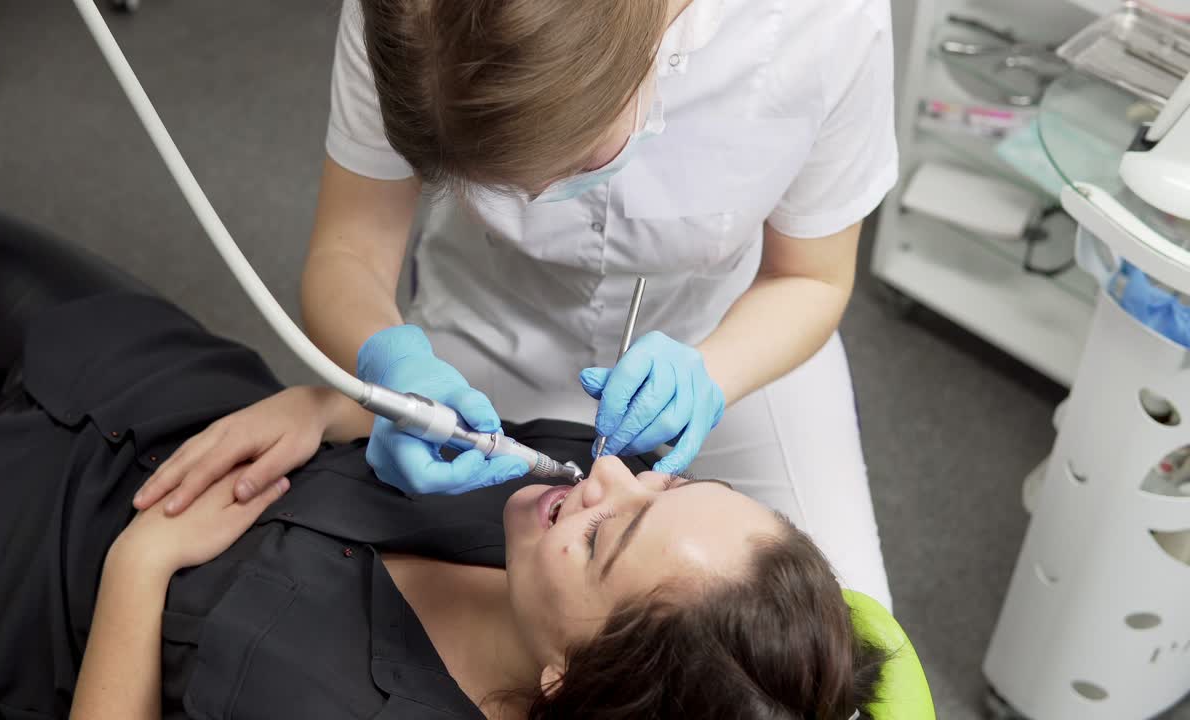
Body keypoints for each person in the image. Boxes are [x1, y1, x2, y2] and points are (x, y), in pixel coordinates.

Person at [0, 189, 887, 718]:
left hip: (5, 559)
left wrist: (142, 566)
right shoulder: (556, 499)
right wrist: (330, 406)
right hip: (142, 379)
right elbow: (398, 415)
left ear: (564, 680)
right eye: (658, 484)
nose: (604, 476)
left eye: (607, 539)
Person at [137, 0, 898, 609]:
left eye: (568, 168)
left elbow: (812, 279)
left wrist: (713, 374)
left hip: (732, 336)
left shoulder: (824, 21)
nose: (535, 199)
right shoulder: (411, 17)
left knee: (841, 638)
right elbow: (349, 250)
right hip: (481, 332)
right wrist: (384, 364)